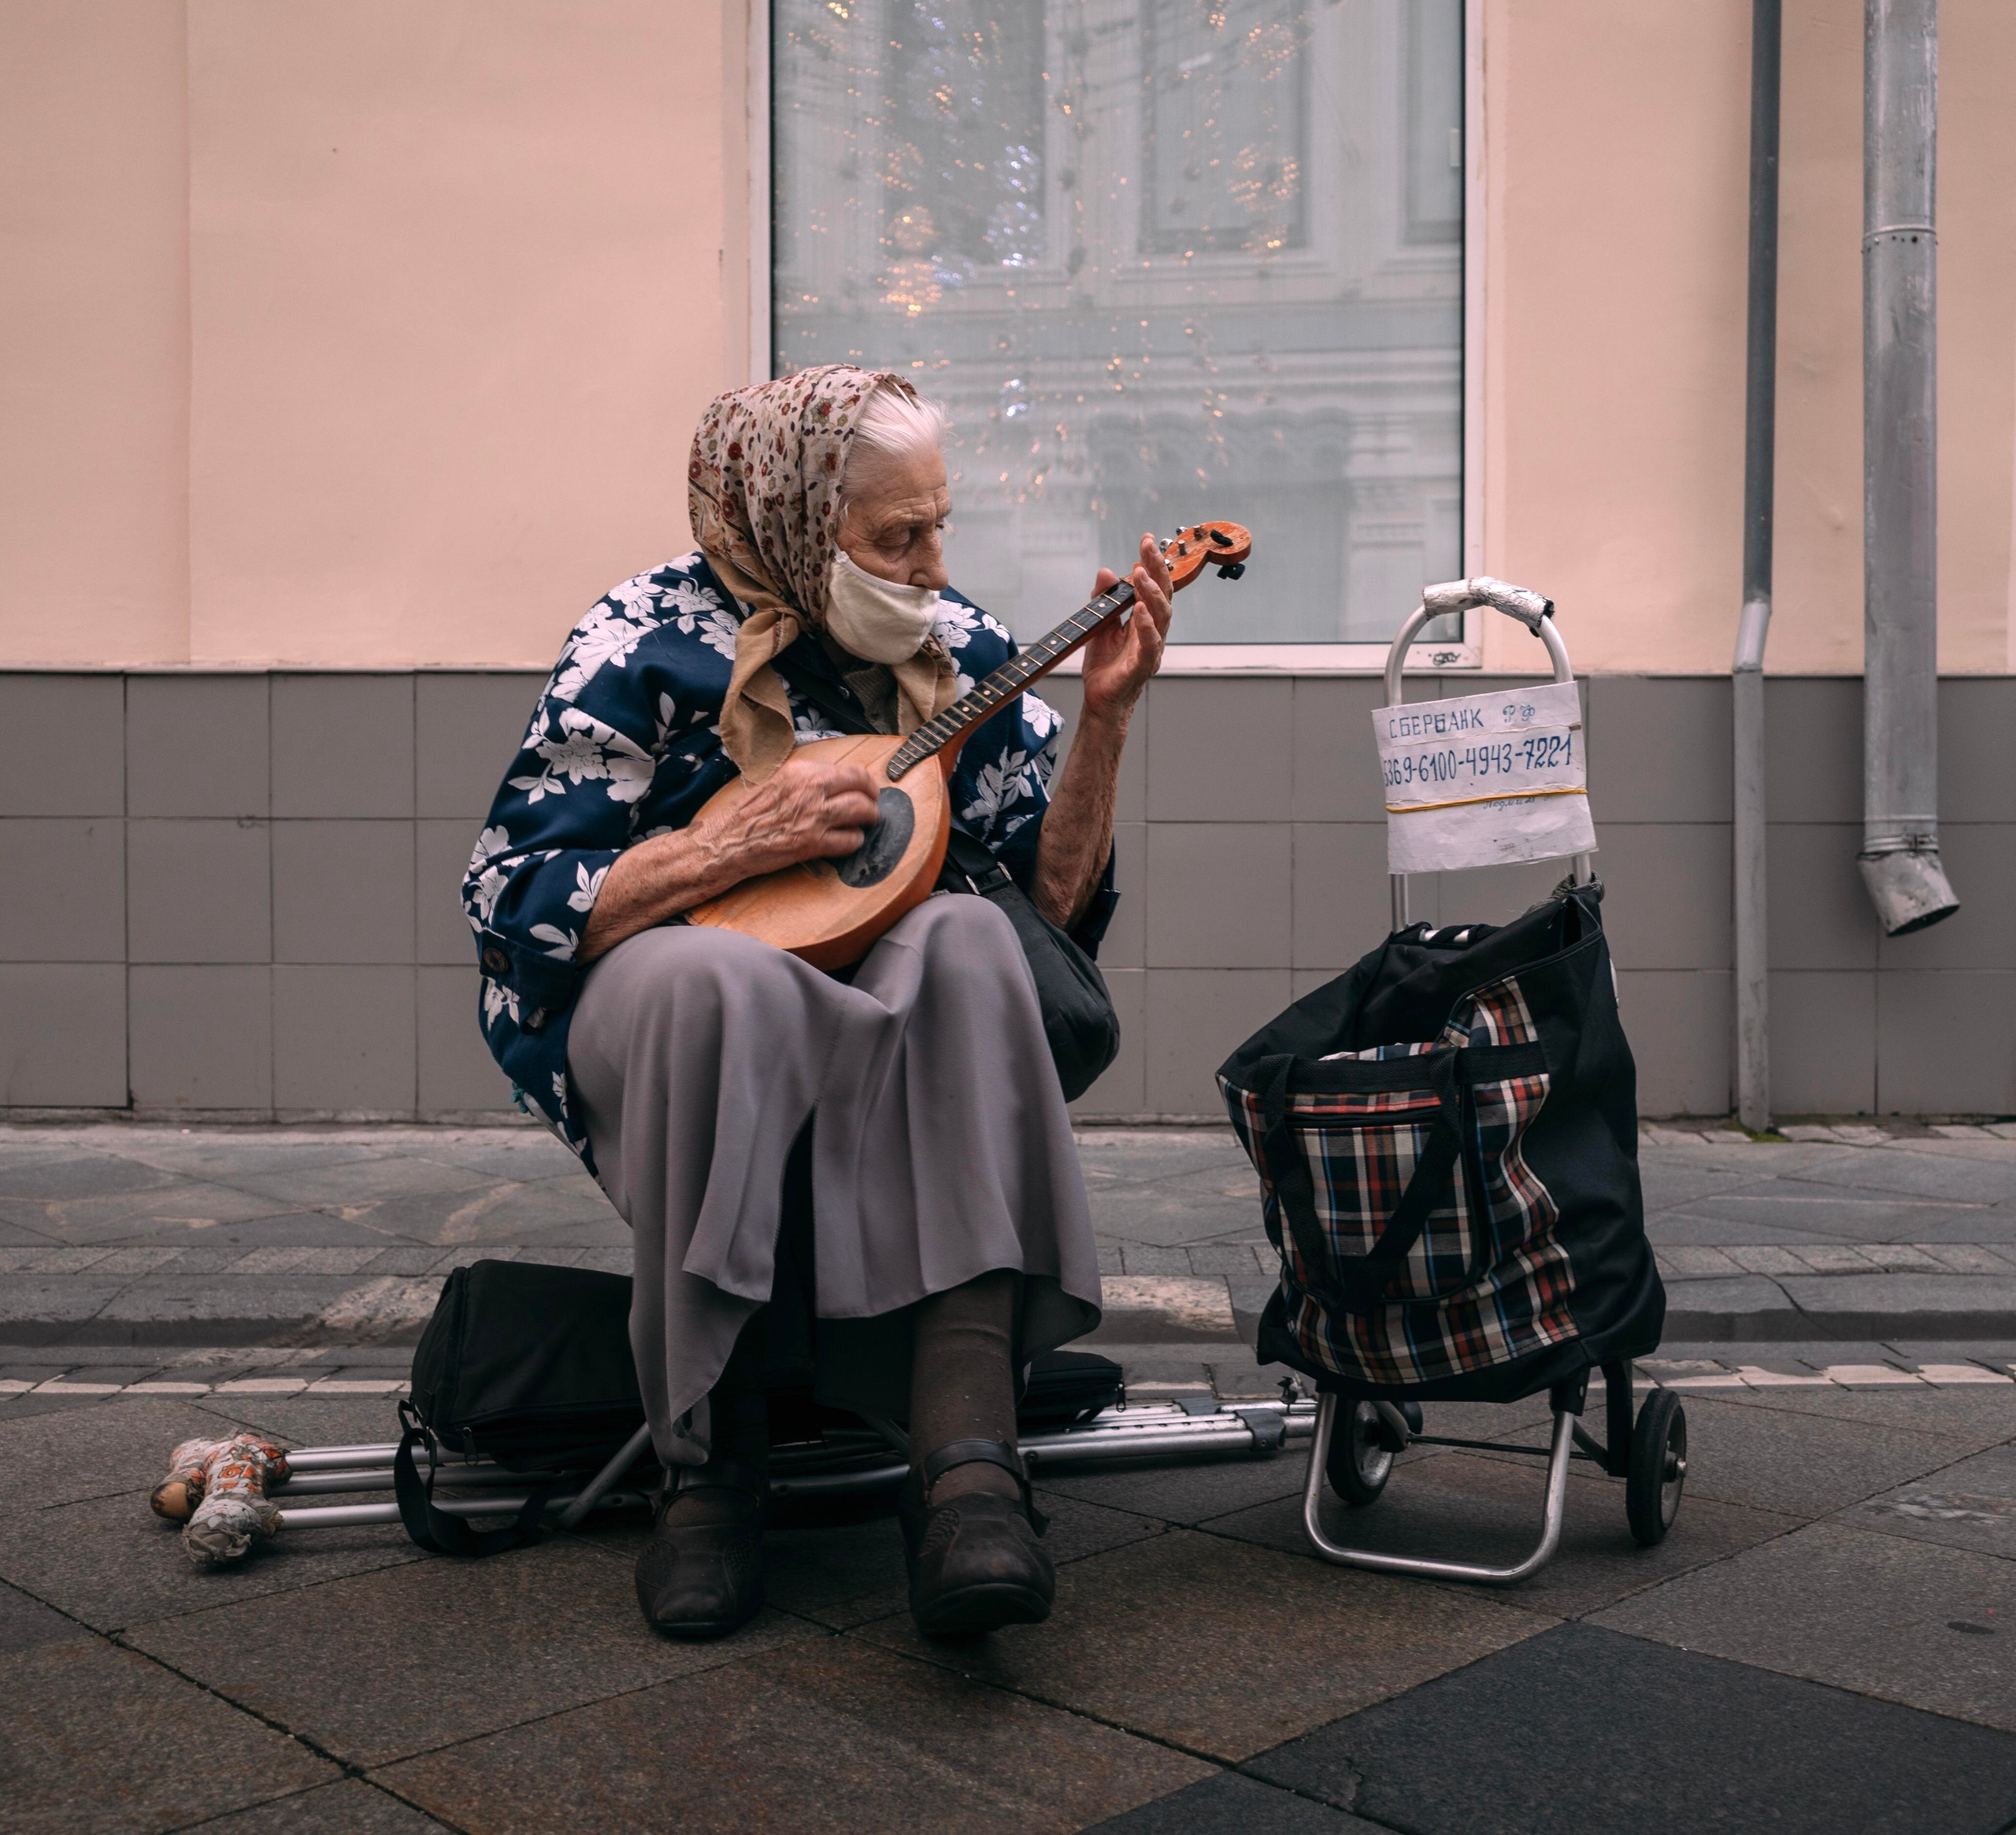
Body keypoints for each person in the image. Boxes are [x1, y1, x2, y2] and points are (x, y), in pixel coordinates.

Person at [462, 364, 1171, 1640]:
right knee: (722, 976)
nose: (932, 563)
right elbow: (512, 900)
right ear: (792, 519)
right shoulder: (640, 637)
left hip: (882, 1021)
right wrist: (724, 847)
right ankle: (707, 1472)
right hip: (670, 1010)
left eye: (941, 524)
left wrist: (1107, 724)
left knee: (967, 939)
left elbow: (1049, 919)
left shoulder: (957, 648)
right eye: (898, 536)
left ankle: (967, 1469)